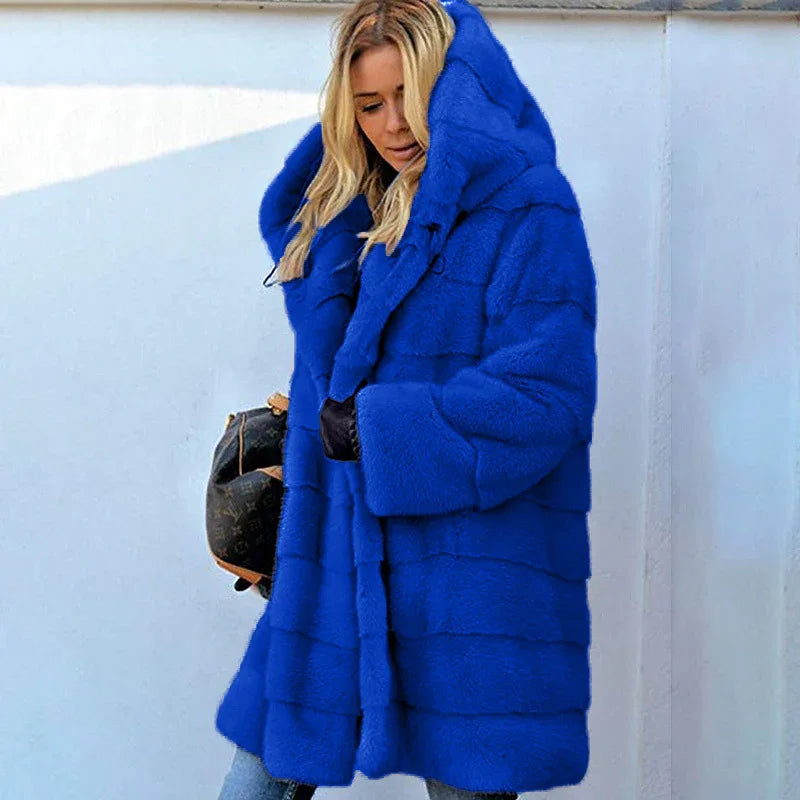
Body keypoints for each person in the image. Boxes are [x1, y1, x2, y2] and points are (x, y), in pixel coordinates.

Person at [215, 0, 598, 797]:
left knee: (466, 783)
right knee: (256, 780)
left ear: (452, 90)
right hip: (333, 559)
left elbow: (547, 396)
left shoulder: (530, 207)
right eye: (368, 105)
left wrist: (377, 430)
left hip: (469, 580)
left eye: (411, 97)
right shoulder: (347, 219)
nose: (394, 125)